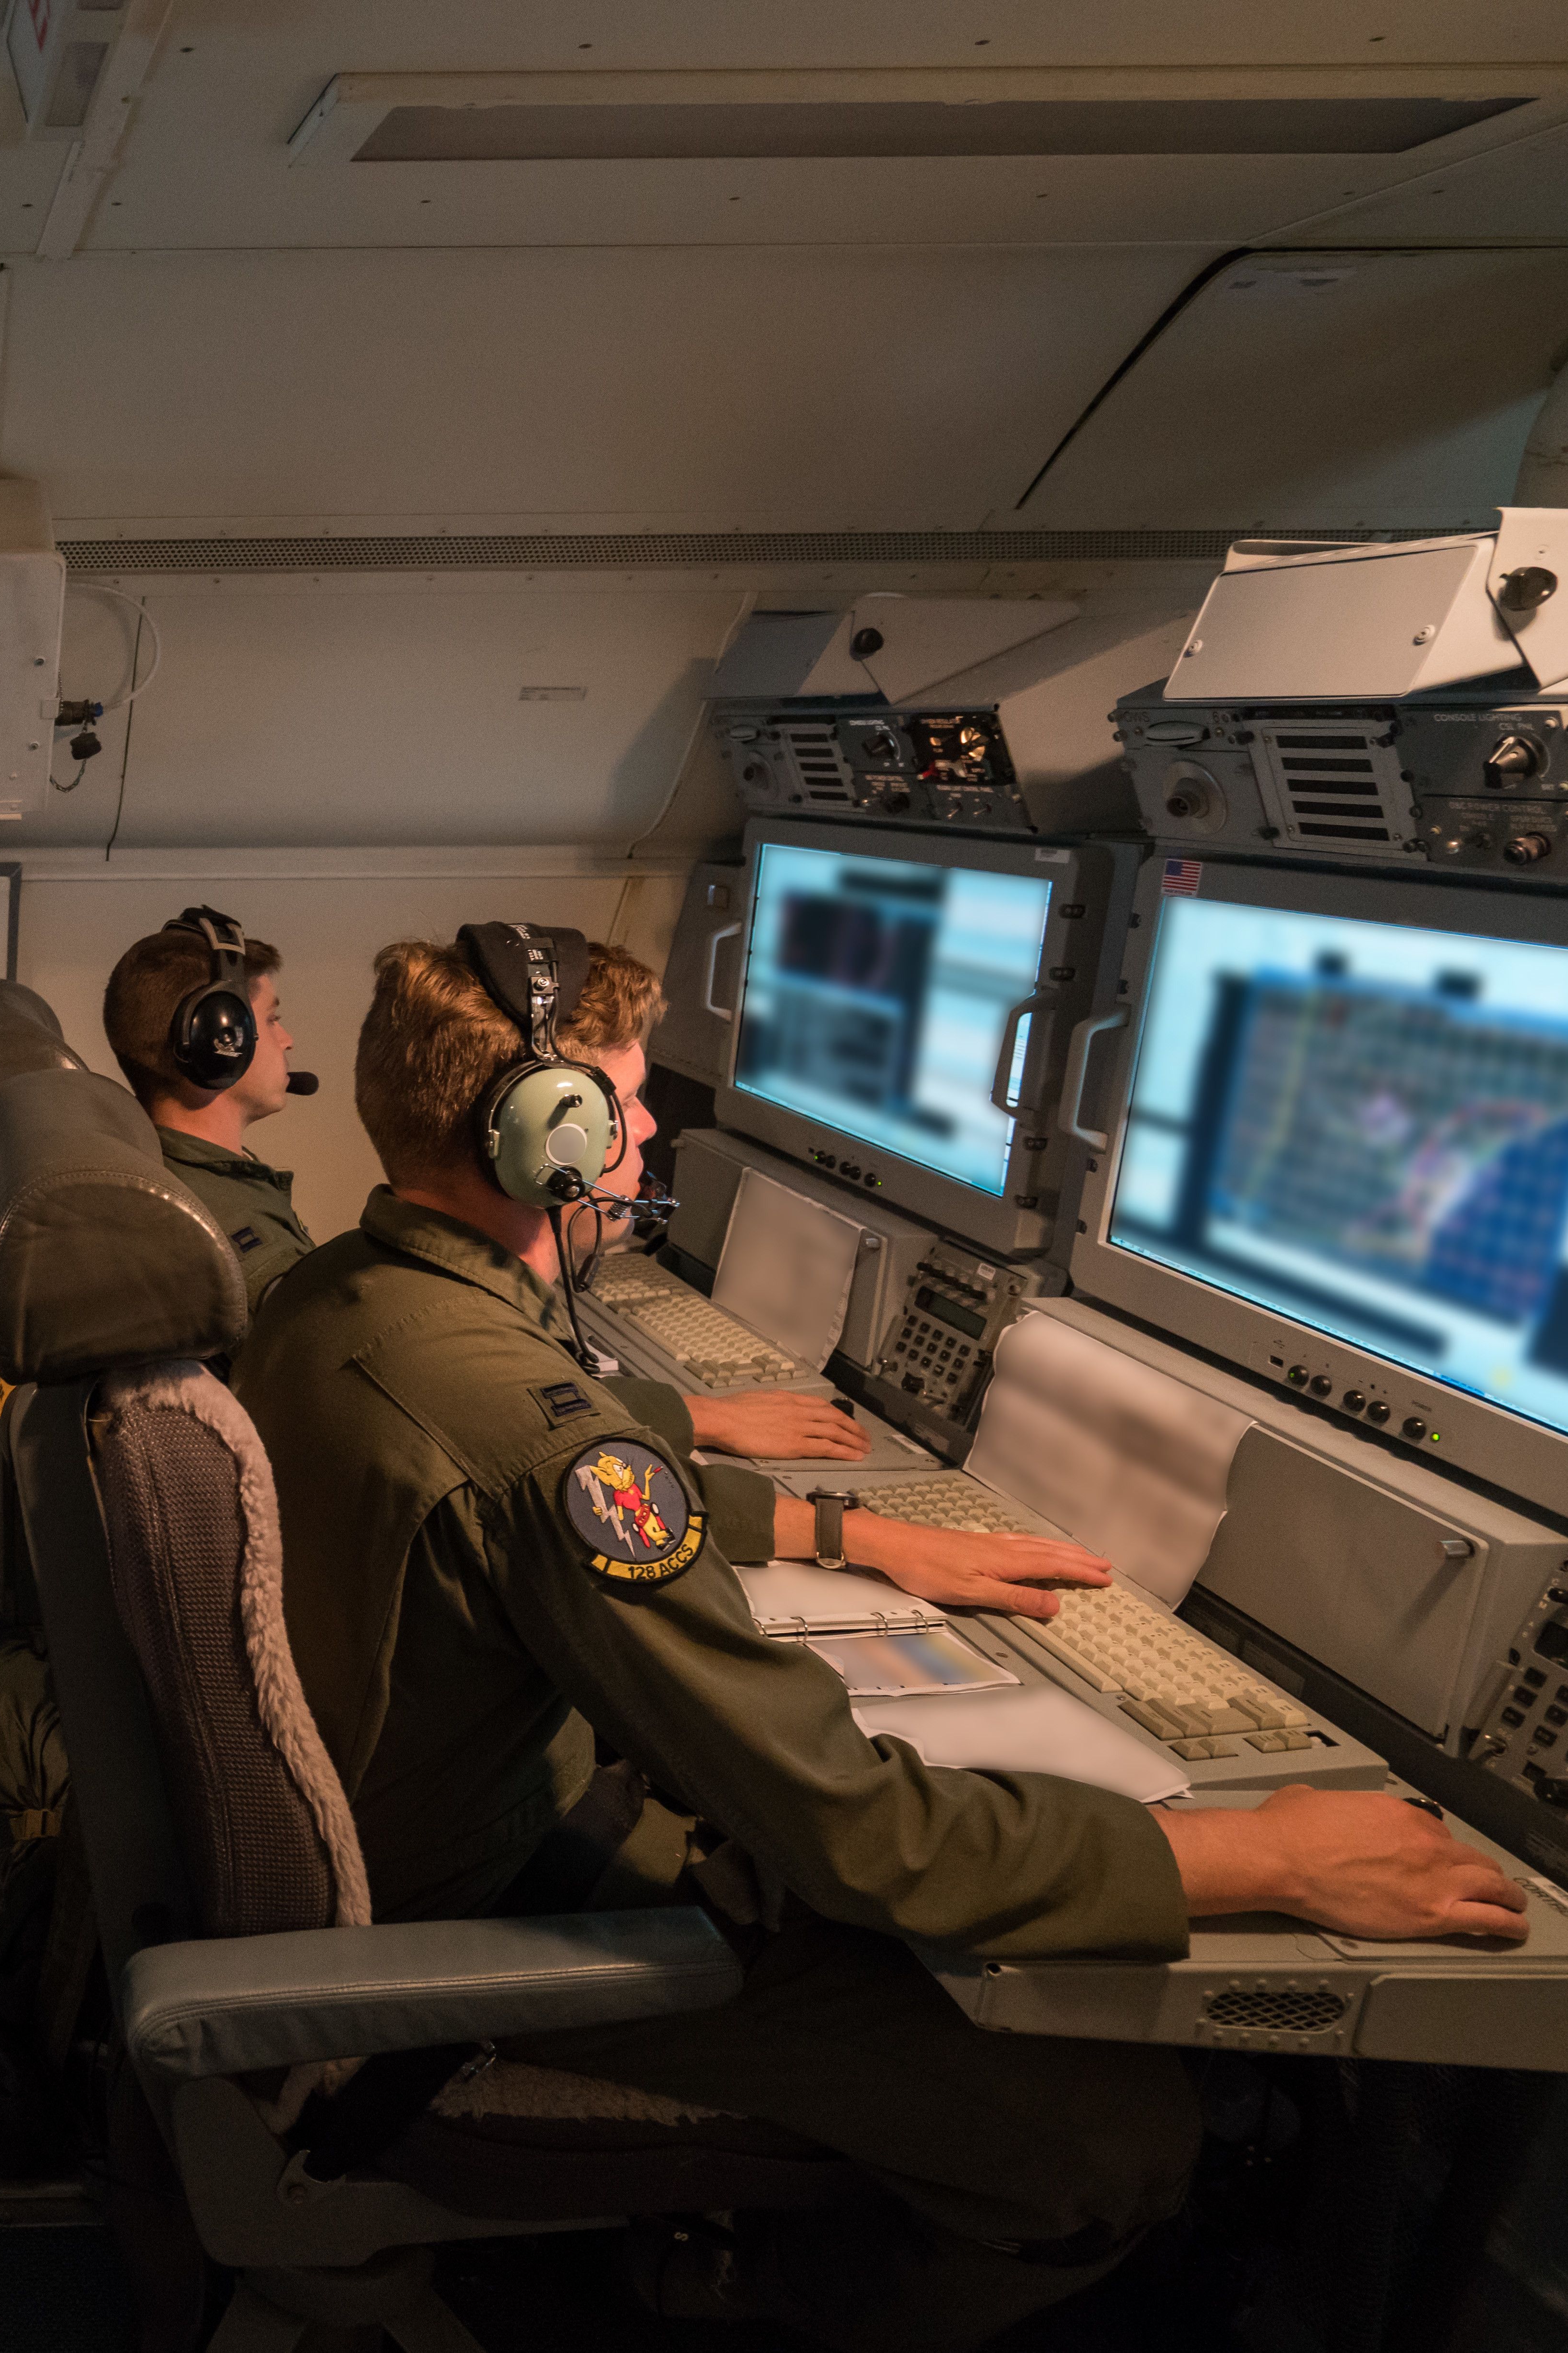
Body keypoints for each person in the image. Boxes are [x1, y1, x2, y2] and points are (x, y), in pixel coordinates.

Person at [230, 927, 1526, 2349]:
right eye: (622, 1095)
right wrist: (1263, 1853)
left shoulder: (333, 1294)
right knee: (1111, 2136)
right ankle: (752, 2302)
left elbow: (552, 1440)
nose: (648, 1123)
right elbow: (853, 1831)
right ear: (545, 1135)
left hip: (430, 1840)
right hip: (481, 1927)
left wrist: (854, 1533)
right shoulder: (535, 1447)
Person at [101, 908, 318, 1308]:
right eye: (272, 1020)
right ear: (219, 1041)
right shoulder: (229, 1229)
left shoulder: (162, 1166)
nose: (286, 1040)